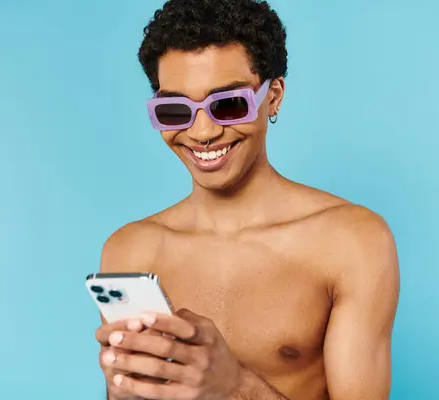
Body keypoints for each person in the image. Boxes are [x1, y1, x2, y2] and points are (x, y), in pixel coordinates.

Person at [94, 0, 400, 399]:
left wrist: (235, 386)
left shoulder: (352, 241)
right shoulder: (129, 250)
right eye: (174, 110)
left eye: (228, 104)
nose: (202, 132)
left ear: (272, 96)